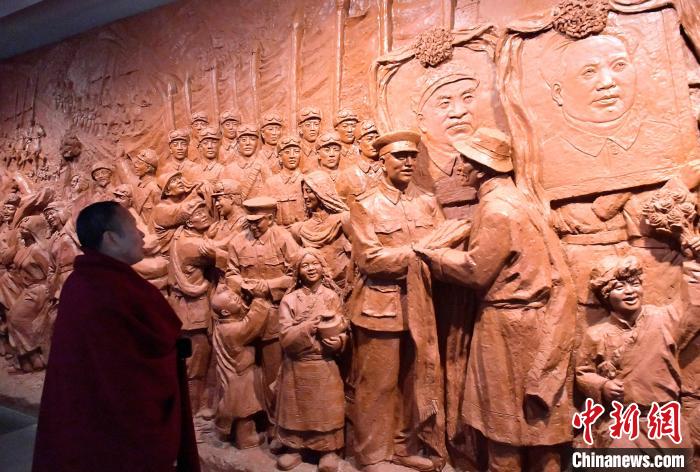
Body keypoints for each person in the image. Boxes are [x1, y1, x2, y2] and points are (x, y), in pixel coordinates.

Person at [414, 128, 576, 471]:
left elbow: (475, 270)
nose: (459, 167)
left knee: (504, 425)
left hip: (508, 326)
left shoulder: (497, 209)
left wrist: (433, 255)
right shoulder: (518, 199)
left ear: (481, 167)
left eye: (465, 160)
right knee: (535, 426)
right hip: (529, 320)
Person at [33, 201, 199, 472]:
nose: (142, 234)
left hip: (83, 428)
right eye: (133, 227)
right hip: (121, 432)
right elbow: (136, 371)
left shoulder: (78, 284)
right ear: (110, 238)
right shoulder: (116, 291)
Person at [350, 130, 445, 471]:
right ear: (382, 161)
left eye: (412, 156)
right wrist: (421, 253)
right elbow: (371, 259)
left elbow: (444, 244)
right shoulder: (365, 205)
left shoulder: (427, 201)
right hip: (379, 308)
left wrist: (430, 253)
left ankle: (403, 447)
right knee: (377, 385)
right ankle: (371, 456)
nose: (408, 162)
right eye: (400, 156)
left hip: (422, 306)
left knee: (412, 382)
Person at [576, 255, 698, 450]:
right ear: (606, 295)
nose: (629, 291)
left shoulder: (664, 318)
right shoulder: (596, 334)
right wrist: (603, 386)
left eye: (634, 284)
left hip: (665, 421)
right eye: (619, 287)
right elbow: (583, 372)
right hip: (622, 423)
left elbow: (693, 304)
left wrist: (694, 260)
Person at [275, 249, 348, 472]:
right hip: (297, 363)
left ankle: (328, 450)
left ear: (322, 267)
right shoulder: (289, 300)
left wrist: (339, 342)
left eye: (314, 263)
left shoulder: (331, 296)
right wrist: (308, 327)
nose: (310, 268)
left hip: (324, 362)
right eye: (305, 265)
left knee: (326, 408)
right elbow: (285, 337)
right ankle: (294, 448)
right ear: (298, 271)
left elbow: (343, 327)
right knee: (295, 409)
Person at [336, 119, 382, 204]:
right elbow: (341, 207)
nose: (374, 143)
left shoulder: (388, 170)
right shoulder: (347, 175)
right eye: (369, 139)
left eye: (377, 138)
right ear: (358, 144)